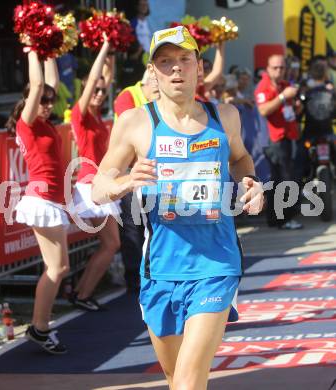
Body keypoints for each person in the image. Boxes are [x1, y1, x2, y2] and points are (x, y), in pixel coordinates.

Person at [92, 26, 264, 389]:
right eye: (165, 62)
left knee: (187, 380)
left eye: (184, 60)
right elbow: (98, 187)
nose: (175, 69)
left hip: (216, 264)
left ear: (199, 67)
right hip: (160, 270)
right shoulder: (135, 122)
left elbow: (242, 158)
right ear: (152, 71)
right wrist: (124, 182)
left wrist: (251, 182)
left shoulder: (225, 117)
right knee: (175, 377)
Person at [6, 52, 69, 354]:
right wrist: (32, 47)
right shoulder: (27, 122)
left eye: (49, 101)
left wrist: (50, 51)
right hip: (41, 199)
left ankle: (40, 326)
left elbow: (50, 82)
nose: (47, 105)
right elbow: (39, 82)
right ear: (30, 99)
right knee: (57, 268)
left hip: (53, 200)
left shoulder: (44, 121)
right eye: (41, 100)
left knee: (58, 267)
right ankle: (39, 327)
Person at [69, 34, 121, 311]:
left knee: (109, 244)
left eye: (103, 92)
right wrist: (102, 48)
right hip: (90, 186)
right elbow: (92, 82)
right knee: (112, 244)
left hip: (101, 183)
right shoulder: (80, 115)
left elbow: (106, 78)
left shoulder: (98, 116)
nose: (99, 94)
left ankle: (80, 292)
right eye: (96, 91)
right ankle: (81, 294)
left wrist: (111, 47)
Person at [113, 70, 159, 293]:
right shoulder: (128, 96)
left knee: (155, 224)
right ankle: (133, 278)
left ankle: (154, 272)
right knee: (133, 227)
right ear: (149, 81)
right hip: (133, 171)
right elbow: (134, 131)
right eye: (158, 88)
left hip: (158, 173)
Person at [255, 54, 303, 230]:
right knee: (283, 180)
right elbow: (263, 109)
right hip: (273, 140)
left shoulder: (284, 85)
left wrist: (296, 106)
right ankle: (284, 219)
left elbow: (290, 109)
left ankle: (277, 219)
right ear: (268, 69)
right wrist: (283, 97)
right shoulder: (264, 86)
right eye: (275, 67)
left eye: (282, 67)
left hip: (288, 136)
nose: (279, 71)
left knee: (282, 179)